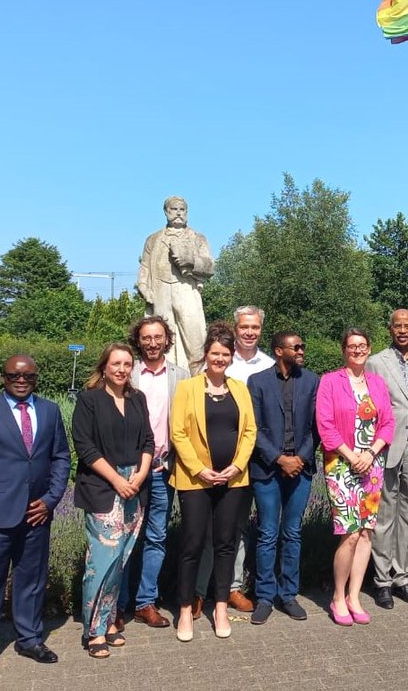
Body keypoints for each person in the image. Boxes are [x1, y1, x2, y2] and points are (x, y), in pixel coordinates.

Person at [0, 355, 71, 678]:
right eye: (13, 375)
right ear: (3, 378)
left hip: (37, 515)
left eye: (27, 376)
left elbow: (61, 458)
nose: (21, 380)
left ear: (36, 378)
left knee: (32, 582)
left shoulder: (50, 412)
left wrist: (51, 499)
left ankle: (29, 639)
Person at [171, 323, 257, 641]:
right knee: (192, 545)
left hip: (233, 481)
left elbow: (249, 431)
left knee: (225, 545)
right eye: (214, 353)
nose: (219, 358)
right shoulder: (187, 389)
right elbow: (178, 431)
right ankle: (184, 610)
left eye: (225, 354)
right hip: (196, 481)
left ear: (231, 357)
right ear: (205, 355)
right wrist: (199, 469)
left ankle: (220, 606)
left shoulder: (240, 389)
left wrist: (236, 466)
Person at [71, 342, 153, 658]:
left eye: (127, 364)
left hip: (135, 485)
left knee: (121, 558)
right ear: (104, 366)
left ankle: (108, 621)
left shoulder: (137, 399)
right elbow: (85, 447)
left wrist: (140, 474)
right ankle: (93, 629)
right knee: (101, 561)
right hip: (103, 487)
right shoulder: (89, 400)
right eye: (115, 363)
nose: (121, 369)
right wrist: (117, 479)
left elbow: (148, 440)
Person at [316, 329, 396, 626]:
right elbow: (325, 426)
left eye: (362, 346)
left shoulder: (377, 383)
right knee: (349, 532)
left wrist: (371, 454)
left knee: (366, 532)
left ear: (369, 349)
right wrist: (353, 457)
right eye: (352, 346)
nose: (358, 350)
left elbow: (388, 423)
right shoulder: (330, 382)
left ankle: (355, 596)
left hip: (371, 465)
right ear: (343, 350)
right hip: (341, 464)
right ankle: (338, 597)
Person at [114, 316, 188, 632]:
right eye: (146, 337)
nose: (152, 342)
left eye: (158, 337)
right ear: (139, 340)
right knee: (124, 537)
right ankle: (117, 604)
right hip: (130, 472)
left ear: (166, 340)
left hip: (163, 470)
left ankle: (146, 602)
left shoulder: (181, 377)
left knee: (156, 537)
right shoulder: (126, 373)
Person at [247, 331, 319, 625]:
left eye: (302, 345)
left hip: (300, 469)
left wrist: (299, 458)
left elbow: (317, 425)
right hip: (267, 469)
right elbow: (253, 427)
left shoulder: (313, 381)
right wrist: (279, 458)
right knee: (267, 534)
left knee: (292, 533)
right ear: (279, 351)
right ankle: (264, 596)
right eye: (296, 346)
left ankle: (288, 594)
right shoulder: (258, 382)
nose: (301, 350)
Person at [368, 308, 408, 609]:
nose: (403, 331)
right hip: (387, 446)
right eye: (398, 326)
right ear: (390, 329)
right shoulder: (375, 363)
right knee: (384, 516)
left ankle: (403, 577)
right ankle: (381, 580)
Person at [220, 305, 274, 613]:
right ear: (236, 328)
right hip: (228, 458)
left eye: (254, 327)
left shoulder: (268, 364)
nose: (249, 332)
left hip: (262, 459)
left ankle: (239, 586)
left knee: (257, 525)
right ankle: (217, 587)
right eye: (244, 327)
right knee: (225, 524)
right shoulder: (222, 361)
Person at [136, 196, 215, 369]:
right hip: (160, 292)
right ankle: (167, 381)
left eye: (182, 210)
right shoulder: (153, 239)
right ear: (166, 212)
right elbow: (144, 268)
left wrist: (191, 260)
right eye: (174, 209)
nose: (179, 213)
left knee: (195, 339)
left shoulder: (197, 237)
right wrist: (143, 287)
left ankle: (199, 381)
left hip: (186, 290)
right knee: (162, 341)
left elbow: (210, 267)